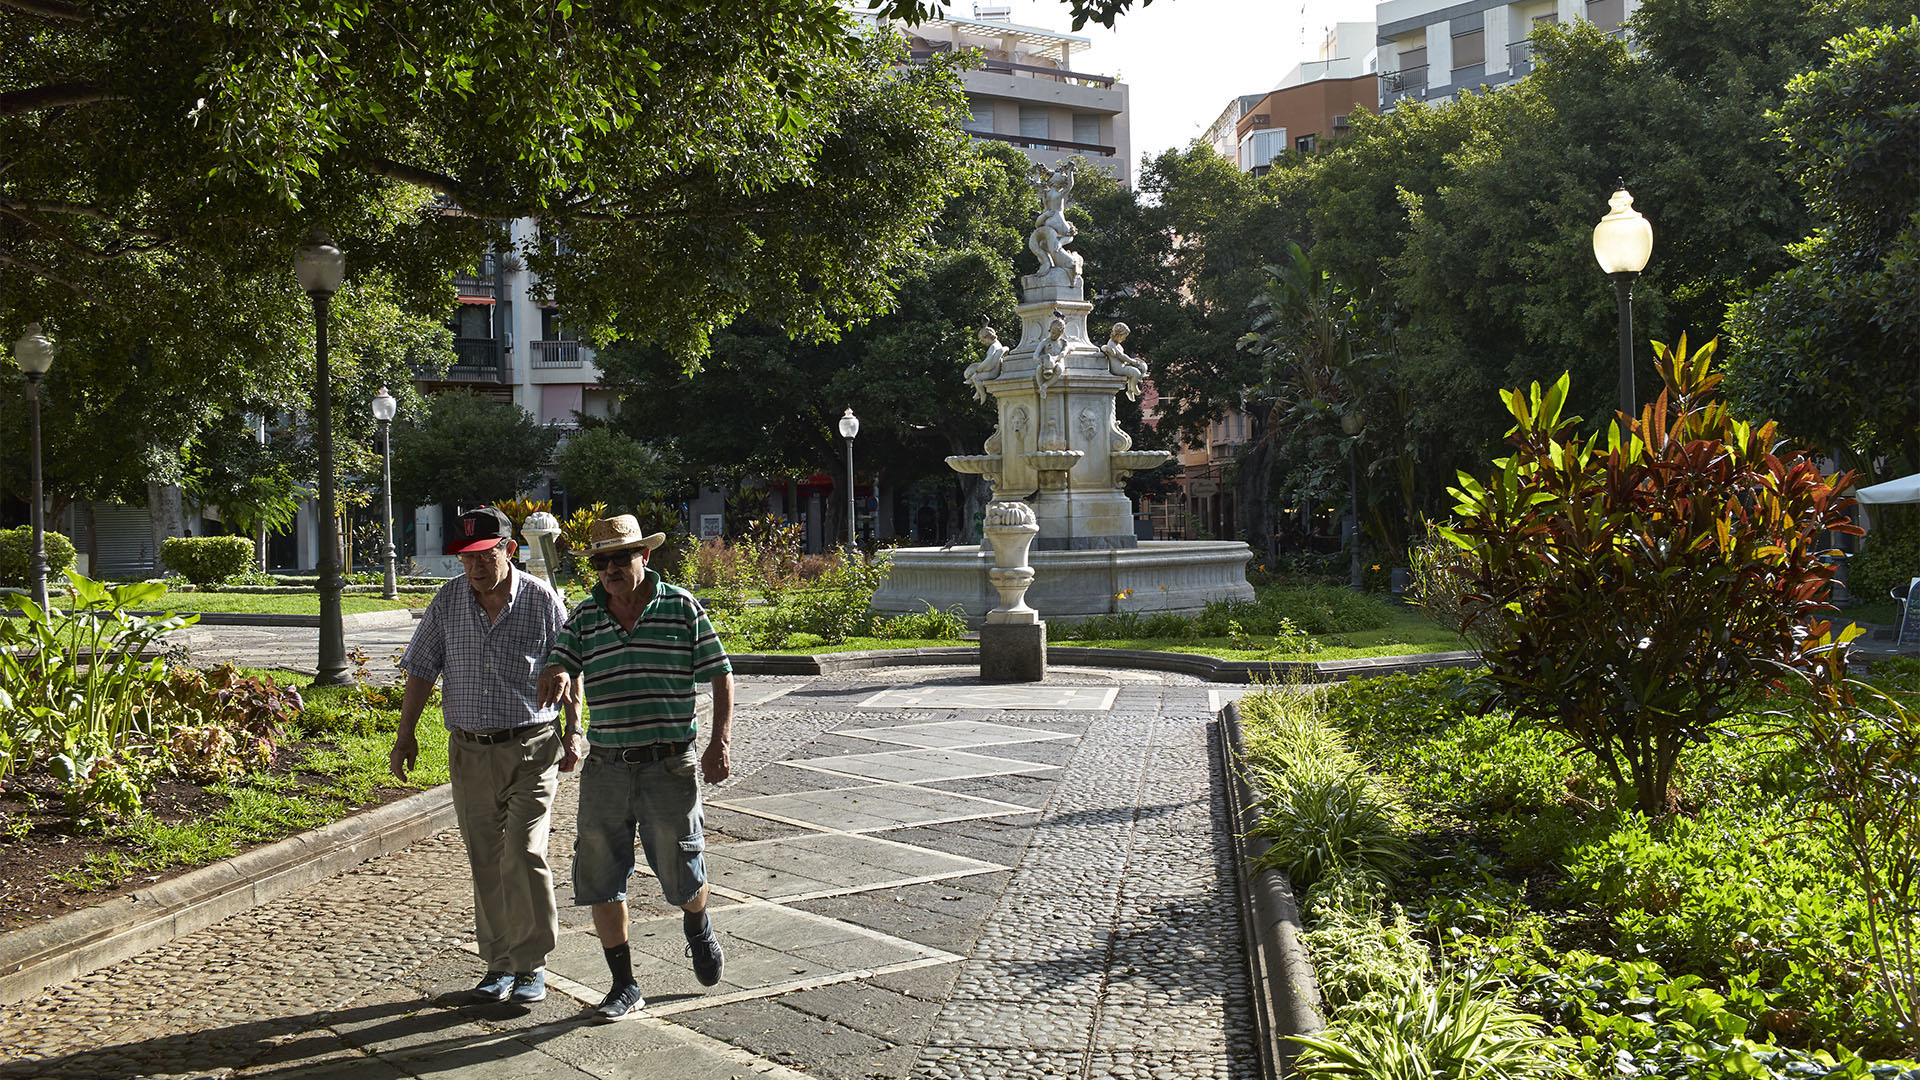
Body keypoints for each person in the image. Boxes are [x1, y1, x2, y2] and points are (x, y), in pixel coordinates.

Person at [537, 514, 733, 1022]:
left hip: (669, 765)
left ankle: (697, 925)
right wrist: (558, 674)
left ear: (644, 556)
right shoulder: (584, 617)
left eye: (620, 558)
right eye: (601, 561)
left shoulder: (681, 608)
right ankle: (624, 984)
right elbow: (562, 661)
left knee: (681, 870)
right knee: (600, 876)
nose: (610, 569)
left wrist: (719, 743)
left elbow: (721, 674)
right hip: (605, 767)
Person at [391, 505, 579, 1007]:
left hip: (531, 748)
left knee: (523, 852)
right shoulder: (448, 600)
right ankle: (498, 965)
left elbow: (569, 667)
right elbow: (421, 669)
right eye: (464, 557)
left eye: (483, 556)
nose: (472, 567)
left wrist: (576, 732)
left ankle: (531, 965)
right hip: (470, 751)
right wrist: (405, 734)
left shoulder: (541, 600)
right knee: (486, 860)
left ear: (508, 550)